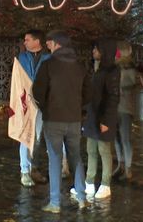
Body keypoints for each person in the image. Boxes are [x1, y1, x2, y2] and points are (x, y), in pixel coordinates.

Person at [33, 30, 92, 213]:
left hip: (53, 119)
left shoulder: (48, 65)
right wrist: (78, 108)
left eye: (51, 43)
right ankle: (82, 197)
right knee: (76, 157)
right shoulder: (80, 67)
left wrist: (46, 107)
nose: (49, 46)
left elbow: (38, 91)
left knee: (55, 158)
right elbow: (88, 94)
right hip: (74, 119)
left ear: (57, 44)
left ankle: (55, 202)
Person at [82, 38, 120, 199]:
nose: (94, 52)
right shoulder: (97, 69)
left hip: (103, 117)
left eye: (96, 49)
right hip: (92, 116)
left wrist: (105, 120)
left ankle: (105, 184)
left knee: (104, 150)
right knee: (91, 150)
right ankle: (89, 182)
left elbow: (112, 97)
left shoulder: (112, 71)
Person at [16, 30, 50, 187]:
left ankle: (33, 167)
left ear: (37, 41)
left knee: (36, 137)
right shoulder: (22, 57)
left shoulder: (48, 58)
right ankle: (24, 170)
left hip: (41, 103)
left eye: (27, 39)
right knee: (25, 136)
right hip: (26, 102)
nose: (25, 42)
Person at [112, 40, 142, 182]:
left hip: (124, 107)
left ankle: (127, 167)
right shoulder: (119, 68)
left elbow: (133, 86)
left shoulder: (129, 68)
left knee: (124, 138)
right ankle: (121, 164)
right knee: (118, 138)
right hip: (119, 107)